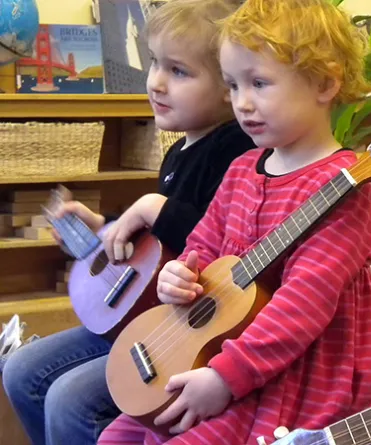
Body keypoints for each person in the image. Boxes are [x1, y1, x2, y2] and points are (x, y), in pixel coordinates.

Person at [97, 0, 371, 444]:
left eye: (259, 83)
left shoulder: (344, 188)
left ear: (326, 82)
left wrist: (226, 379)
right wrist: (178, 276)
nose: (242, 103)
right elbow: (203, 252)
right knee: (115, 438)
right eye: (233, 86)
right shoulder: (242, 170)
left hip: (296, 384)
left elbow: (302, 306)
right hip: (220, 355)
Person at [2, 1, 254, 444]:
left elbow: (218, 245)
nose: (155, 81)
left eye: (179, 71)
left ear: (228, 87)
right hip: (139, 315)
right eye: (155, 62)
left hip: (178, 333)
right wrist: (105, 226)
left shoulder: (238, 150)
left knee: (69, 398)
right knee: (21, 369)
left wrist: (153, 207)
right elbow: (160, 244)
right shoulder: (178, 152)